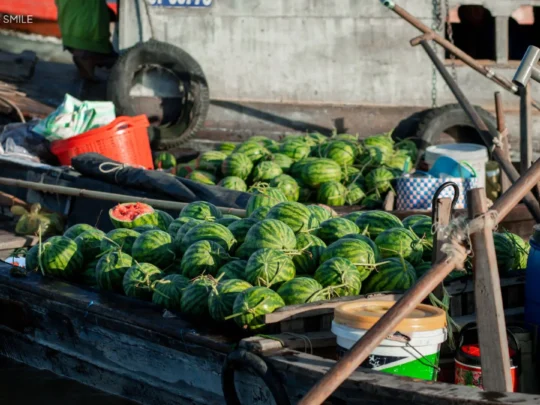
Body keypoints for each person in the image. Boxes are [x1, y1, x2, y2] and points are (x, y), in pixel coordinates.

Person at [55, 0, 118, 80]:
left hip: (71, 35)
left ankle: (83, 53)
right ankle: (86, 55)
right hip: (90, 39)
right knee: (114, 61)